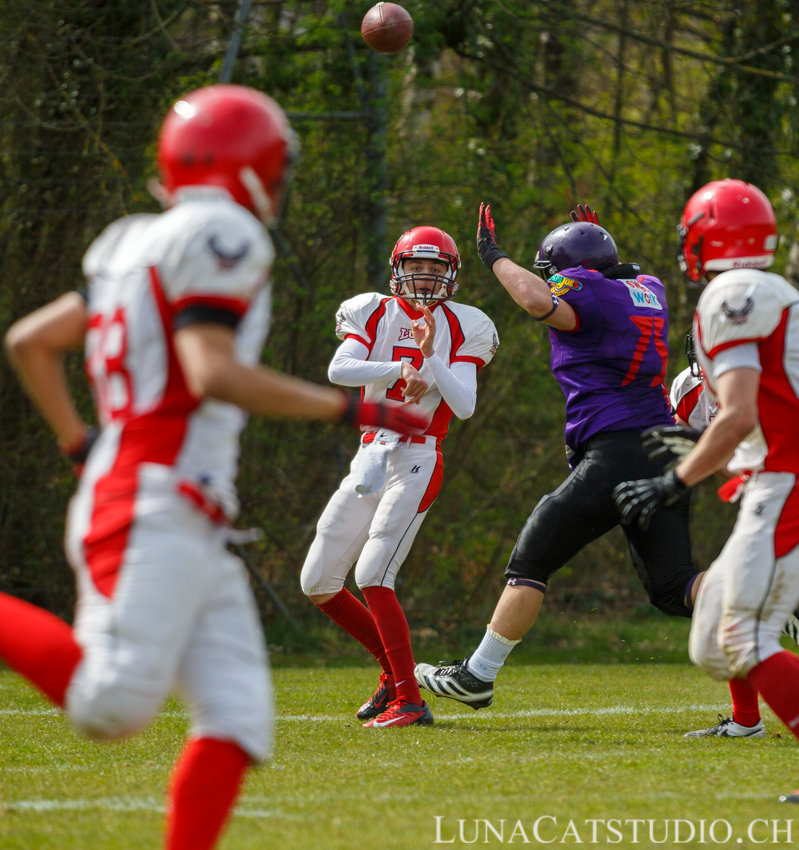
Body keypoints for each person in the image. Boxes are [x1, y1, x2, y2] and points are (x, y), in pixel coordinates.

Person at [0, 84, 425, 850]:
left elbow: (31, 339)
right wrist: (349, 407)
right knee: (109, 706)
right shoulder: (223, 232)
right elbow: (212, 372)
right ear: (253, 164)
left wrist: (78, 444)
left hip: (178, 503)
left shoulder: (132, 237)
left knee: (236, 718)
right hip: (154, 498)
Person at [415, 203, 704, 709]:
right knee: (675, 586)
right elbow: (601, 285)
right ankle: (766, 601)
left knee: (532, 557)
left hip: (618, 448)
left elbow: (535, 298)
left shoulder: (583, 288)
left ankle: (477, 675)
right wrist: (595, 243)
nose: (551, 279)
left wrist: (494, 255)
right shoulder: (650, 288)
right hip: (664, 449)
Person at [614, 179, 799, 801]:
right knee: (716, 640)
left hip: (784, 483)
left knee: (743, 637)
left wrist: (676, 478)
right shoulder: (773, 290)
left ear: (705, 237)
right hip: (770, 481)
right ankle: (748, 715)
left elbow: (742, 412)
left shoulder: (732, 292)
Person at [300, 226, 499, 729]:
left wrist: (431, 356)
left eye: (436, 269)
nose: (426, 277)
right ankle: (395, 675)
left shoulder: (467, 323)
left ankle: (409, 700)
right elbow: (338, 370)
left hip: (418, 457)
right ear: (399, 269)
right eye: (418, 267)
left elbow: (466, 405)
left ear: (452, 275)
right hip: (371, 455)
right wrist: (395, 369)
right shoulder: (371, 309)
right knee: (318, 581)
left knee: (372, 575)